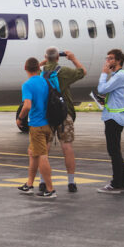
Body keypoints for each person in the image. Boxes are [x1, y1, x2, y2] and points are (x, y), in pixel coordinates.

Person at [41, 47, 86, 193]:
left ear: (46, 57)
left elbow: (32, 68)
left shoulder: (41, 72)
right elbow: (82, 72)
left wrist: (45, 62)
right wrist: (73, 58)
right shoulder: (64, 71)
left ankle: (43, 181)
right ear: (57, 58)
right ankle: (71, 182)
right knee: (67, 147)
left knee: (44, 148)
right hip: (63, 113)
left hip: (47, 114)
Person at [16, 57, 56, 198]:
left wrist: (20, 118)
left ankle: (50, 189)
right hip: (48, 123)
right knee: (32, 153)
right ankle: (29, 184)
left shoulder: (27, 85)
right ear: (38, 68)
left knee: (42, 156)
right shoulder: (45, 81)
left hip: (36, 125)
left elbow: (27, 105)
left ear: (25, 68)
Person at [97, 48, 124, 194]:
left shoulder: (119, 76)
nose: (107, 61)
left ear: (118, 61)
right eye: (107, 58)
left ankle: (116, 183)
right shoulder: (118, 76)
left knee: (114, 151)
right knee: (115, 151)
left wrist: (104, 74)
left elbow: (101, 89)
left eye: (110, 58)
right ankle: (122, 182)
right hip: (114, 116)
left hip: (114, 118)